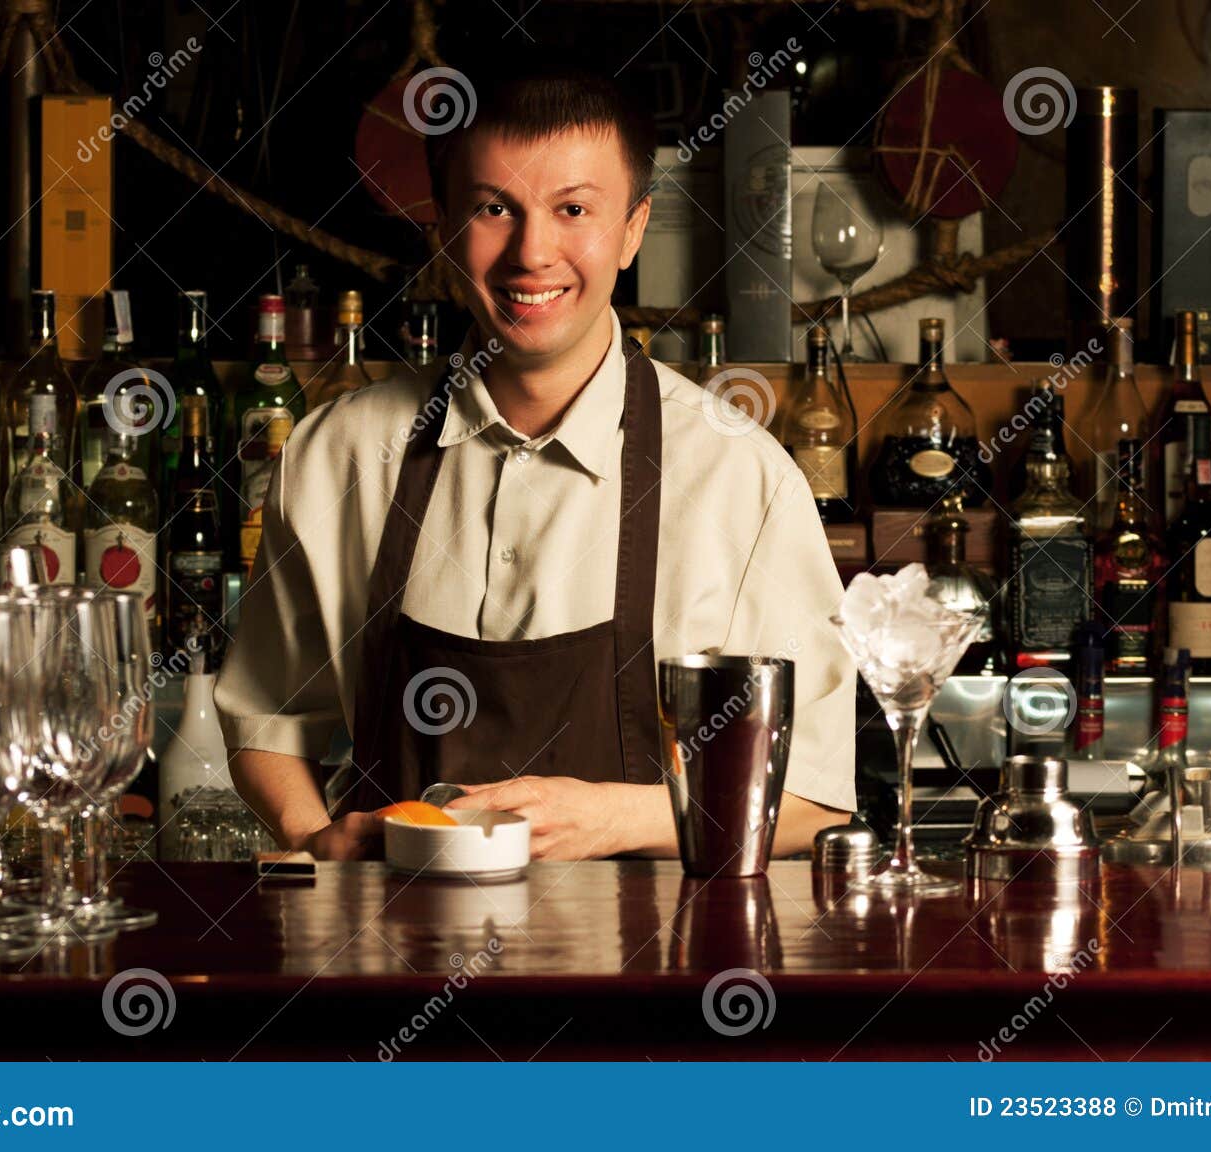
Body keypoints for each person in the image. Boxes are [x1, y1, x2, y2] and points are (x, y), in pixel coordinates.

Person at [215, 63, 856, 862]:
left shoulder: (742, 480)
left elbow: (813, 798)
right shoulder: (334, 456)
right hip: (386, 963)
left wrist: (612, 821)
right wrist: (312, 835)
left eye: (574, 209)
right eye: (494, 209)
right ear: (444, 226)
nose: (532, 252)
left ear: (632, 229)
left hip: (646, 971)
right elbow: (266, 715)